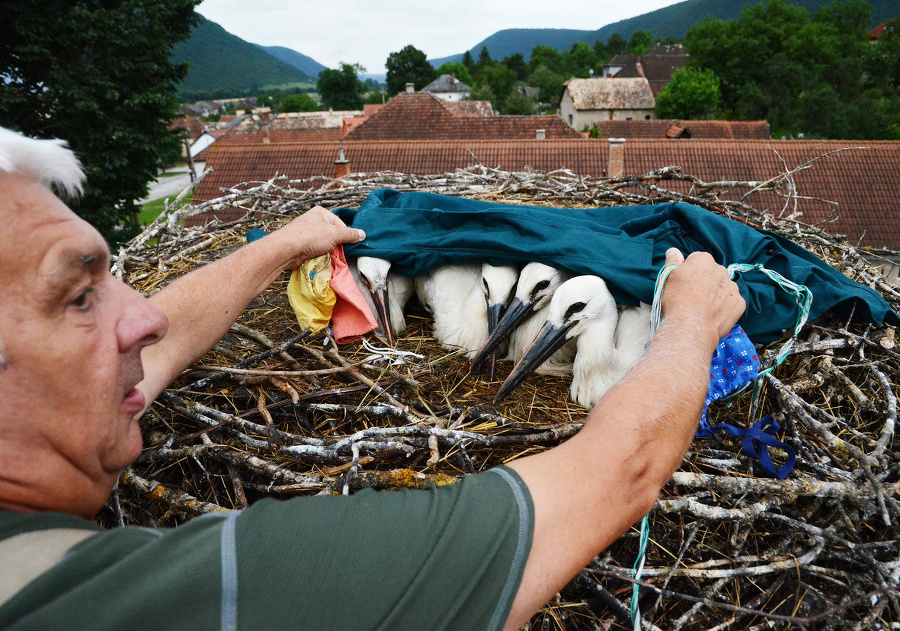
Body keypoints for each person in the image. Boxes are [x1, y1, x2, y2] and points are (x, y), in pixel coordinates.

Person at [0, 128, 745, 630]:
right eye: (80, 296)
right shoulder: (198, 590)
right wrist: (690, 322)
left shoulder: (64, 406)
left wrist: (284, 244)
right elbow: (618, 472)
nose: (144, 320)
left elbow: (158, 341)